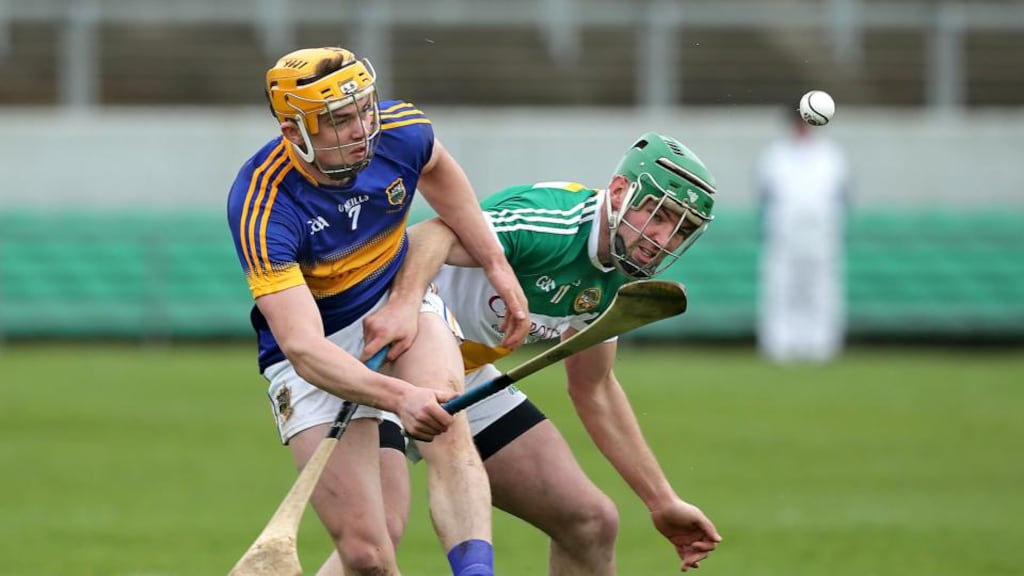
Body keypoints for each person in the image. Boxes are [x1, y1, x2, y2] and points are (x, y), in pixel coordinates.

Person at [330, 132, 723, 575]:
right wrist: (403, 307)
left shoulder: (620, 273)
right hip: (387, 359)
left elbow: (593, 388)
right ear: (618, 192)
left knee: (590, 522)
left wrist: (661, 501)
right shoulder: (550, 226)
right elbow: (431, 235)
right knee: (373, 547)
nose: (663, 237)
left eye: (681, 229)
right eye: (659, 215)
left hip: (464, 377)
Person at [226, 46, 530, 576]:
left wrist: (496, 265)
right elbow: (302, 348)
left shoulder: (401, 129)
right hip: (316, 349)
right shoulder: (263, 204)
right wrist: (400, 398)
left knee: (450, 426)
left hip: (396, 301)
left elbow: (439, 171)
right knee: (368, 555)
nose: (363, 128)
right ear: (295, 130)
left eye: (364, 109)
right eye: (339, 120)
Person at [756, 106, 850, 364]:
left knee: (821, 289)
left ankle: (821, 345)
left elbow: (842, 197)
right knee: (783, 288)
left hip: (822, 236)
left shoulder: (831, 155)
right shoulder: (775, 156)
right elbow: (765, 196)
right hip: (783, 235)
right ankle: (780, 345)